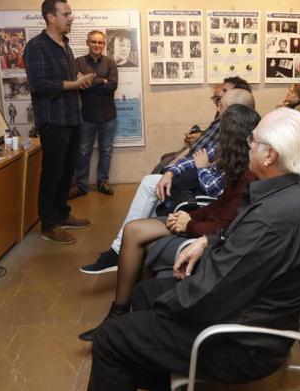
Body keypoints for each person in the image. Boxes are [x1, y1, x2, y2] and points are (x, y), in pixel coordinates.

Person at [87, 108, 300, 391]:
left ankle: (145, 359)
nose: (248, 144)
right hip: (253, 313)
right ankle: (160, 376)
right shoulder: (297, 195)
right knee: (143, 293)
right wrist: (208, 242)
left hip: (241, 344)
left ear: (270, 155)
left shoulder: (273, 216)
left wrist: (169, 305)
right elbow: (243, 249)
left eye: (254, 140)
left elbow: (214, 289)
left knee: (111, 338)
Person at [78, 104, 261, 341]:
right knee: (135, 230)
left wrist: (189, 225)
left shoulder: (249, 174)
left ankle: (123, 315)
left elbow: (225, 225)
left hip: (211, 243)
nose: (217, 139)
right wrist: (188, 218)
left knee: (139, 240)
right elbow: (217, 207)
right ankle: (126, 316)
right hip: (202, 225)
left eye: (222, 133)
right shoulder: (239, 166)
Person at [82, 89, 255, 274]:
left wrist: (190, 218)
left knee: (151, 185)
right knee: (156, 183)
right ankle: (120, 250)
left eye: (222, 106)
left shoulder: (244, 154)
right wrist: (171, 171)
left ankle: (118, 251)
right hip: (204, 204)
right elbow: (197, 156)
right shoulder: (228, 136)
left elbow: (217, 195)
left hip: (205, 202)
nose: (218, 109)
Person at [24, 0, 94, 245]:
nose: (70, 18)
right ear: (50, 17)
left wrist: (79, 77)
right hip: (53, 121)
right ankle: (49, 224)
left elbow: (65, 78)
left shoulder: (65, 45)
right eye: (66, 14)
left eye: (70, 14)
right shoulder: (36, 47)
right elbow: (39, 85)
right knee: (52, 173)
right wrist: (73, 83)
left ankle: (62, 214)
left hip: (72, 117)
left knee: (67, 172)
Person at [72, 30, 119, 197]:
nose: (97, 45)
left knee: (105, 150)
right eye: (93, 42)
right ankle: (81, 186)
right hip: (86, 116)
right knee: (83, 152)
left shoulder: (110, 62)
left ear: (104, 44)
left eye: (100, 42)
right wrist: (101, 81)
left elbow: (112, 86)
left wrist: (89, 80)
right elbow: (78, 85)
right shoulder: (78, 62)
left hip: (108, 116)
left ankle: (102, 182)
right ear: (87, 43)